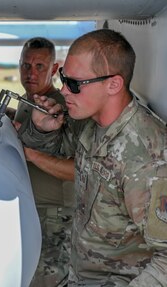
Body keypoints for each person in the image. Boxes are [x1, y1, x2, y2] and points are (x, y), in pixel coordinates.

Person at [21, 29, 167, 286]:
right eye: (64, 78)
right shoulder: (91, 122)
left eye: (75, 84)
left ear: (113, 84)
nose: (64, 91)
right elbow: (57, 146)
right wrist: (43, 128)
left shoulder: (145, 157)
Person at [9, 37, 75, 287]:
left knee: (47, 281)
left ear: (54, 70)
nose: (31, 73)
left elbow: (74, 167)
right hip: (35, 209)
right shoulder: (30, 100)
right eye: (26, 65)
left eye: (39, 67)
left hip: (54, 214)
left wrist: (27, 152)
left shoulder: (57, 107)